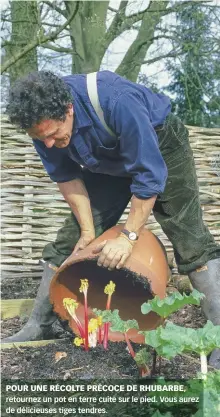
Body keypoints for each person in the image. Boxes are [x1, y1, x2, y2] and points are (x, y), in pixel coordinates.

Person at [4, 70, 220, 368]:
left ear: (68, 108)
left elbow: (148, 176)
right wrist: (87, 230)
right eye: (42, 139)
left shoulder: (118, 101)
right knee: (70, 240)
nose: (49, 144)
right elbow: (66, 177)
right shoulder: (43, 125)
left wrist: (128, 236)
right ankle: (39, 323)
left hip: (159, 146)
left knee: (190, 240)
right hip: (107, 162)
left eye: (54, 134)